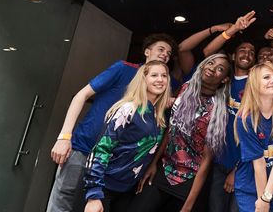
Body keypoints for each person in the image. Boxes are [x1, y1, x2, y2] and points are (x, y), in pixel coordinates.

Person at [47, 33, 176, 212]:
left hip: (113, 168)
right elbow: (82, 95)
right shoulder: (123, 69)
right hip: (85, 147)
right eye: (161, 49)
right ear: (147, 52)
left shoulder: (157, 96)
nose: (165, 55)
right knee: (63, 200)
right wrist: (64, 136)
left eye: (169, 53)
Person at [131, 53, 232, 212]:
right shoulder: (185, 89)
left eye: (220, 69)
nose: (212, 68)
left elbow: (207, 160)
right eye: (211, 63)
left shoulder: (218, 111)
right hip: (164, 168)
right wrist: (153, 163)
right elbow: (171, 129)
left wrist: (189, 204)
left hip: (189, 180)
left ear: (224, 79)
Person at [82, 60, 171, 212]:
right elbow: (101, 150)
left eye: (164, 76)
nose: (160, 79)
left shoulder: (159, 117)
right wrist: (93, 194)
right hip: (103, 187)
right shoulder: (128, 109)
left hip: (127, 191)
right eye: (154, 75)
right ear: (143, 79)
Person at [204, 11, 258, 212]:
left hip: (244, 164)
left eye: (251, 52)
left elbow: (258, 133)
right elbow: (208, 52)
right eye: (242, 50)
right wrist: (234, 29)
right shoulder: (222, 80)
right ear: (233, 56)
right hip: (218, 161)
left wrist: (237, 170)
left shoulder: (256, 86)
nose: (247, 54)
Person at [234, 62, 273, 212]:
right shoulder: (245, 118)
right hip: (249, 187)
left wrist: (266, 197)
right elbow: (259, 164)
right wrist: (262, 201)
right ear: (255, 84)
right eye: (266, 77)